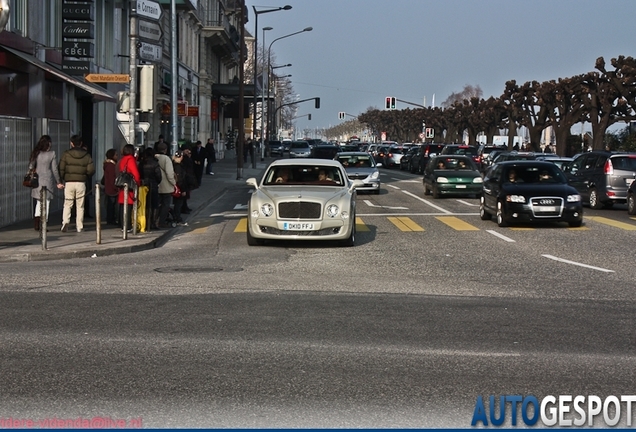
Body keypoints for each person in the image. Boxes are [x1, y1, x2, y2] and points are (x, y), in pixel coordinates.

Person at [59, 135, 95, 233]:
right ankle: (79, 226)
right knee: (80, 205)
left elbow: (61, 168)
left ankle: (65, 221)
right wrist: (85, 176)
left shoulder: (66, 154)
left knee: (67, 204)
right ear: (81, 143)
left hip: (69, 182)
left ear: (71, 143)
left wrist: (61, 179)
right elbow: (91, 170)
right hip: (81, 182)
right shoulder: (87, 155)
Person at [29, 135, 64, 232]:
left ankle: (36, 223)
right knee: (46, 202)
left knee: (38, 202)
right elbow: (54, 169)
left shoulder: (36, 153)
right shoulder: (51, 154)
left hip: (37, 180)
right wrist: (58, 181)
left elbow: (31, 166)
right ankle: (43, 223)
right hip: (47, 181)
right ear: (48, 144)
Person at [117, 144, 141, 231]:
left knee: (123, 205)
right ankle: (127, 226)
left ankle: (122, 225)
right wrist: (138, 183)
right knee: (128, 205)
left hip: (123, 184)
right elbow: (135, 173)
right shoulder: (130, 159)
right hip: (129, 184)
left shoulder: (123, 159)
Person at [139, 147, 162, 229]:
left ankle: (145, 223)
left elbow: (140, 174)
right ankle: (153, 223)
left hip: (143, 185)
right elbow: (159, 176)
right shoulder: (155, 163)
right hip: (153, 185)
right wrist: (156, 182)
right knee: (154, 205)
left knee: (145, 204)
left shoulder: (142, 163)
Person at [155, 142, 176, 229]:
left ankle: (154, 220)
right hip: (165, 186)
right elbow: (169, 173)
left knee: (156, 205)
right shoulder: (166, 159)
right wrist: (174, 183)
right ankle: (161, 222)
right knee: (165, 205)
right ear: (165, 150)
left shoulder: (154, 157)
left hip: (156, 185)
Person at [103, 148, 119, 226]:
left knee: (110, 204)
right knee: (111, 205)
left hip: (108, 187)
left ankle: (110, 219)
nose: (117, 156)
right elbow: (112, 178)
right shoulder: (111, 166)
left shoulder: (107, 165)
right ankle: (111, 219)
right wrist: (116, 187)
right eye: (116, 155)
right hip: (112, 189)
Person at [171, 151, 187, 226]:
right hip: (178, 188)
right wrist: (183, 190)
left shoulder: (173, 164)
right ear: (181, 157)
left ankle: (176, 217)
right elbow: (180, 179)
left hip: (174, 187)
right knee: (178, 204)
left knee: (177, 203)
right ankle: (177, 218)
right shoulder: (178, 166)